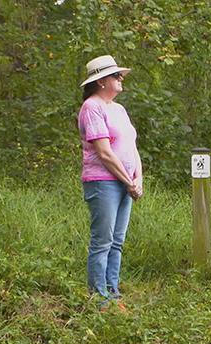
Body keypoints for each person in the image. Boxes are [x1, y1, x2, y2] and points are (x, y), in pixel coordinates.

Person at [77, 55, 143, 311]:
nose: (121, 78)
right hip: (103, 182)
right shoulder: (92, 107)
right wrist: (128, 182)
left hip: (125, 183)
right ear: (101, 81)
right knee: (102, 241)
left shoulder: (119, 109)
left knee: (117, 241)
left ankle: (113, 293)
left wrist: (138, 178)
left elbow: (131, 147)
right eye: (117, 75)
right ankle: (99, 298)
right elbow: (104, 153)